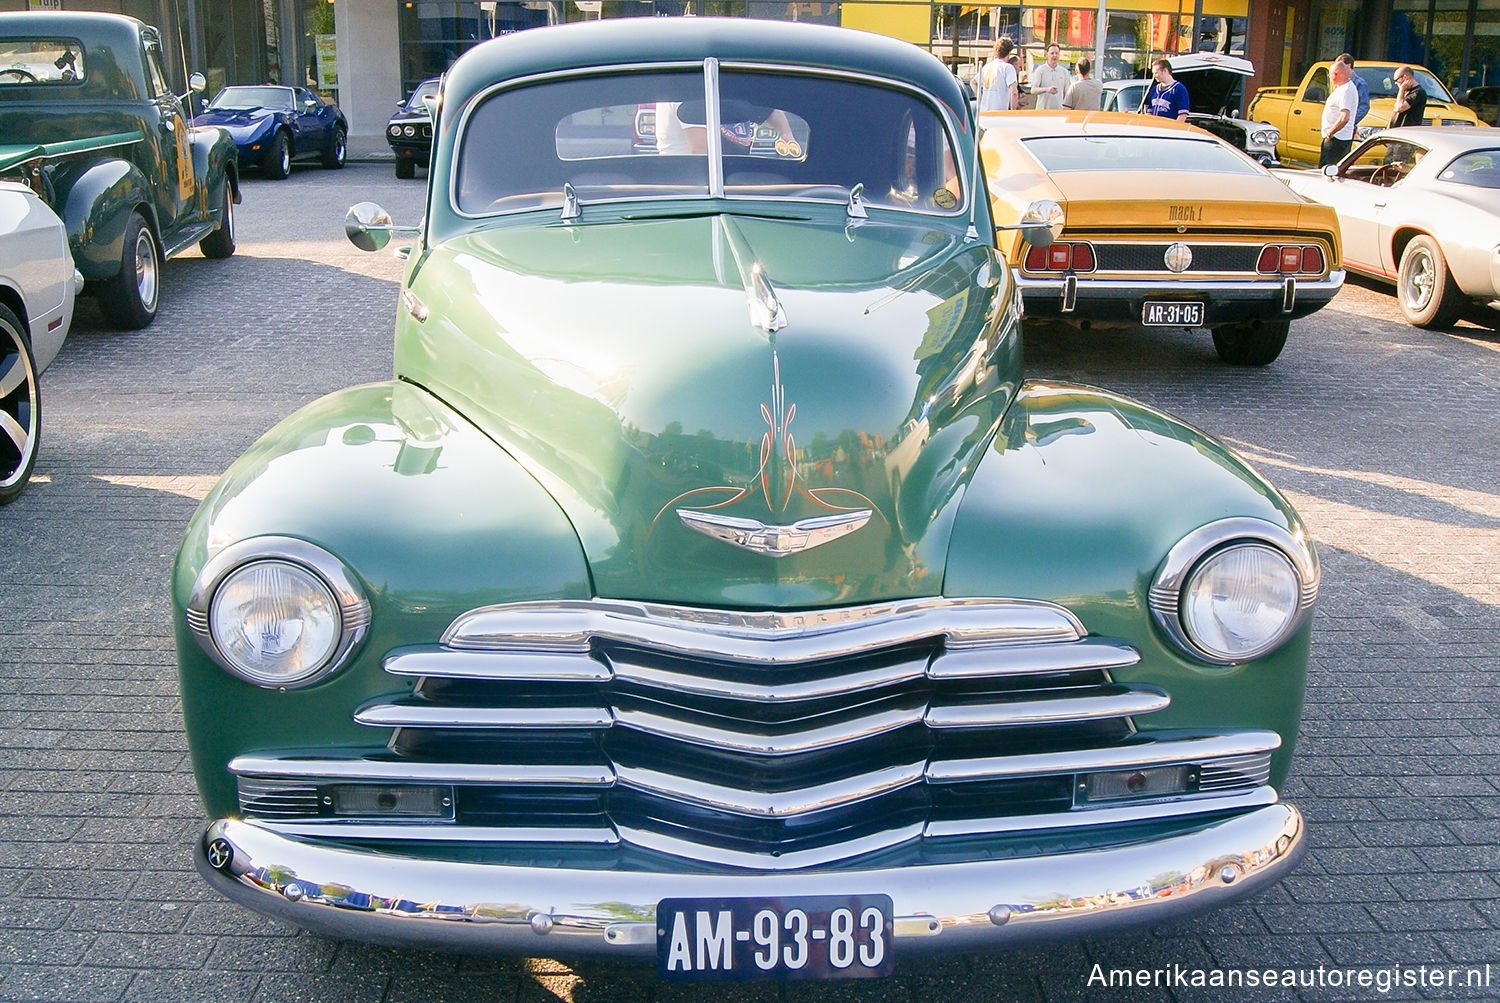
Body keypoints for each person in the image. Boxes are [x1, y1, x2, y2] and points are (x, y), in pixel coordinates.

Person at [1320, 57, 1359, 167]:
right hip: (1336, 138)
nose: (1329, 77)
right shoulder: (1342, 88)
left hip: (1337, 140)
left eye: (1330, 74)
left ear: (1336, 74)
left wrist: (1330, 132)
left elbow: (1344, 117)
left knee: (1329, 172)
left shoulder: (1346, 90)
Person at [975, 35, 1019, 112]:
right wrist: (1013, 112)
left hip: (984, 111)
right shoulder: (1008, 68)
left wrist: (981, 97)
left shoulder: (987, 67)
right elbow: (1014, 92)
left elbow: (973, 82)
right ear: (1009, 52)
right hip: (999, 113)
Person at [1030, 44, 1071, 111]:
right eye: (1052, 53)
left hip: (1059, 111)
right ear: (1047, 55)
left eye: (1056, 53)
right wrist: (1046, 89)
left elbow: (1067, 93)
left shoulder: (1064, 72)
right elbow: (1033, 90)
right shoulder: (1040, 70)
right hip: (1043, 111)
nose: (1054, 55)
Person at [1337, 53, 1370, 130]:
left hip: (1347, 127)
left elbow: (1364, 106)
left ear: (1348, 66)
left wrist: (1349, 120)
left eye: (1341, 66)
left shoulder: (1359, 84)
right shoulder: (1339, 81)